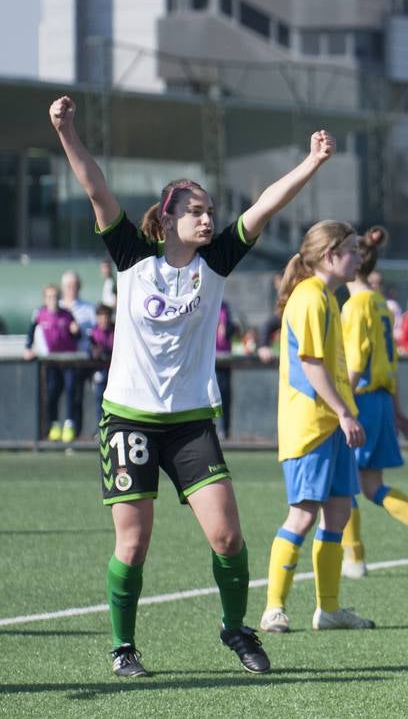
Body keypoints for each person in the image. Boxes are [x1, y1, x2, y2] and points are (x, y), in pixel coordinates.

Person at [47, 94, 330, 677]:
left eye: (209, 210)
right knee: (134, 543)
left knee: (227, 537)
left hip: (189, 423)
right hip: (127, 418)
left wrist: (312, 162)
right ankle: (124, 648)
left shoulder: (218, 261)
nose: (207, 218)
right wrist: (67, 131)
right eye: (195, 210)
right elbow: (97, 188)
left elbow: (267, 206)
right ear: (169, 216)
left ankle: (235, 629)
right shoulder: (132, 257)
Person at [259, 221, 375, 635]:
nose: (360, 258)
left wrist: (345, 413)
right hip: (311, 425)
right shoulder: (310, 297)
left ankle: (329, 608)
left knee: (338, 513)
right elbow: (311, 366)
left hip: (333, 424)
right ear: (330, 256)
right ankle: (274, 607)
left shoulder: (326, 296)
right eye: (353, 250)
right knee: (303, 515)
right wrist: (345, 412)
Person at [338, 226, 408, 578]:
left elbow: (356, 363)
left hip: (360, 402)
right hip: (382, 401)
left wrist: (340, 405)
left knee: (345, 482)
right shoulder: (381, 304)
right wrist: (397, 409)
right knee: (371, 486)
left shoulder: (356, 305)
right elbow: (389, 360)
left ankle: (354, 558)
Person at [23, 283, 81, 441]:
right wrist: (28, 348)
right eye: (49, 297)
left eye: (55, 297)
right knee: (52, 392)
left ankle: (69, 425)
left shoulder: (67, 314)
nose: (53, 300)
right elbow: (30, 333)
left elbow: (77, 335)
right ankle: (54, 425)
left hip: (68, 360)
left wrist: (76, 331)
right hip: (51, 361)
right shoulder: (40, 314)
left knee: (70, 391)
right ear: (45, 299)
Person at [58, 270, 97, 441]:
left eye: (74, 285)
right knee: (53, 395)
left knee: (77, 397)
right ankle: (52, 431)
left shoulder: (88, 309)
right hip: (57, 362)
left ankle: (77, 432)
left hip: (80, 361)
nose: (71, 289)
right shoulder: (56, 308)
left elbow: (94, 335)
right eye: (68, 286)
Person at [215, 302, 237, 439]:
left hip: (225, 357)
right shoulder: (206, 302)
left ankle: (225, 430)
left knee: (225, 394)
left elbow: (230, 328)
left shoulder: (225, 307)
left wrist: (229, 329)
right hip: (210, 357)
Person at [90, 304, 115, 412]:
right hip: (99, 370)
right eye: (101, 317)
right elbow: (90, 351)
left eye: (106, 317)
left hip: (114, 372)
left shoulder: (117, 331)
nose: (104, 320)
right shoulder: (92, 333)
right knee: (100, 398)